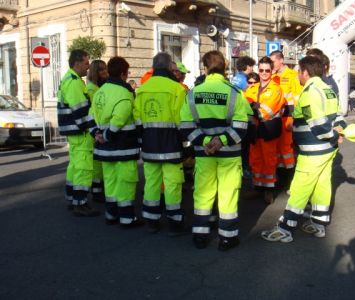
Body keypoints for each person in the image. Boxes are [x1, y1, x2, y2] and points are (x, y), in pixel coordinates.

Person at [261, 55, 345, 243]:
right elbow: (339, 116)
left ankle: (285, 227)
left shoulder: (310, 92)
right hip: (327, 150)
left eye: (299, 71)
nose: (298, 74)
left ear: (305, 73)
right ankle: (318, 224)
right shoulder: (328, 89)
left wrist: (333, 135)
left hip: (312, 150)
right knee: (322, 186)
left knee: (300, 187)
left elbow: (318, 125)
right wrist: (339, 132)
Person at [180, 50, 249, 251]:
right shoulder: (235, 93)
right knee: (228, 194)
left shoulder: (193, 93)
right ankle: (227, 238)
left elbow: (185, 126)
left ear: (205, 67)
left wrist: (207, 141)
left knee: (202, 193)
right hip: (230, 153)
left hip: (204, 153)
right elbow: (241, 127)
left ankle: (200, 236)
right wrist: (221, 141)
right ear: (225, 67)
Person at [134, 52, 186, 236]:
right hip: (171, 144)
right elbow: (182, 120)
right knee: (172, 184)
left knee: (151, 183)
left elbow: (137, 119)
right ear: (170, 67)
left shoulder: (142, 89)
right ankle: (174, 222)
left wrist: (143, 138)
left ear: (154, 67)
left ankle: (151, 221)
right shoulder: (177, 88)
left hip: (149, 144)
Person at [91, 57, 143, 227]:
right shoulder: (124, 92)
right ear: (123, 73)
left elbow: (91, 115)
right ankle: (127, 218)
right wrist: (106, 135)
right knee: (126, 182)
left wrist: (97, 133)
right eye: (127, 73)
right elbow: (120, 118)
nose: (128, 76)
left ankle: (111, 214)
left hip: (104, 148)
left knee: (111, 181)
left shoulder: (100, 91)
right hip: (123, 146)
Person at [57, 49, 99, 217]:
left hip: (73, 131)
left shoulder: (69, 79)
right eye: (86, 63)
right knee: (83, 167)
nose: (88, 67)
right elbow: (81, 111)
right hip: (79, 132)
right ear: (77, 63)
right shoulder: (74, 82)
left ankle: (72, 198)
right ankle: (80, 203)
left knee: (74, 166)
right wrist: (92, 130)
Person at [244, 56, 286, 204]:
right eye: (261, 70)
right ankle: (257, 187)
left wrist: (253, 107)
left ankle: (269, 189)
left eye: (267, 70)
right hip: (255, 130)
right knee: (255, 159)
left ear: (271, 71)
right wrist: (254, 106)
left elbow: (266, 111)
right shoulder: (252, 87)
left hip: (268, 130)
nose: (263, 73)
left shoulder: (276, 89)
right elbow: (244, 106)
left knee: (269, 160)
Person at [270, 50, 302, 191]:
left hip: (287, 117)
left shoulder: (293, 76)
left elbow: (298, 98)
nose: (272, 64)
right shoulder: (273, 76)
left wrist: (293, 118)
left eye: (273, 61)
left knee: (287, 150)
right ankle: (281, 180)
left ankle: (291, 182)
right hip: (276, 118)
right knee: (277, 150)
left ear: (281, 60)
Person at [86, 59, 108, 203]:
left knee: (99, 164)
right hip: (94, 131)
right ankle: (97, 192)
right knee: (96, 165)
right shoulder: (93, 90)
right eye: (101, 70)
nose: (105, 72)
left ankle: (98, 191)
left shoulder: (98, 88)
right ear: (95, 73)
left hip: (97, 130)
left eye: (105, 69)